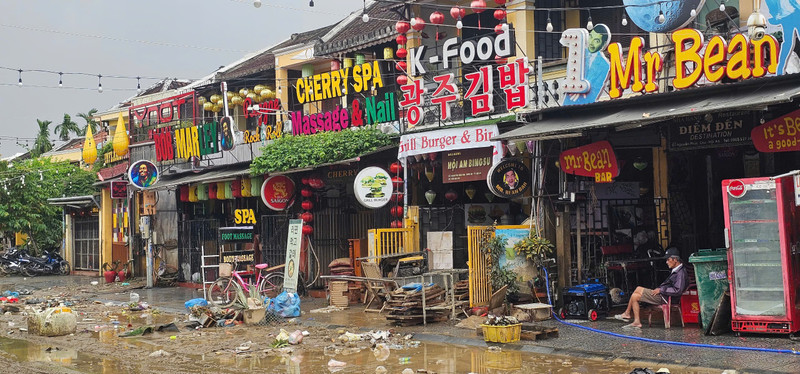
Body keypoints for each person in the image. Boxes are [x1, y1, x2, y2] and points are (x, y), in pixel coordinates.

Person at [614, 247, 688, 328]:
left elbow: (678, 290)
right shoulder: (677, 270)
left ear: (675, 260)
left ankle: (630, 316)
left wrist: (661, 289)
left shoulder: (680, 273)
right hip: (664, 295)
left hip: (665, 298)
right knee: (637, 292)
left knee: (636, 294)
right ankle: (633, 318)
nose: (666, 262)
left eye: (668, 259)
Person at [563, 24, 611, 106]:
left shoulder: (604, 65)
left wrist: (580, 92)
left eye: (596, 41)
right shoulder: (578, 52)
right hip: (568, 101)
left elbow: (596, 89)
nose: (591, 42)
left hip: (587, 104)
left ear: (603, 45)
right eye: (591, 37)